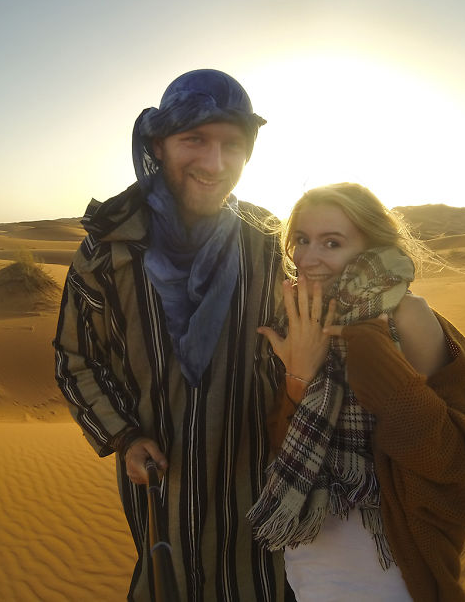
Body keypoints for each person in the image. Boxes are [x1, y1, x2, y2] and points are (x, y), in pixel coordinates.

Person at [52, 69, 289, 601]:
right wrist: (124, 436)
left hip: (259, 481)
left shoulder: (267, 243)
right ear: (158, 145)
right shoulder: (108, 250)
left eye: (232, 144)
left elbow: (310, 348)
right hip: (161, 487)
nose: (215, 162)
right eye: (195, 139)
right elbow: (76, 358)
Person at [247, 183, 465, 602]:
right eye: (301, 239)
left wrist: (377, 363)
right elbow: (284, 449)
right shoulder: (299, 316)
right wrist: (299, 376)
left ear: (371, 246)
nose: (308, 258)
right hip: (306, 548)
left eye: (332, 243)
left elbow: (455, 463)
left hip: (387, 558)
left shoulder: (407, 317)